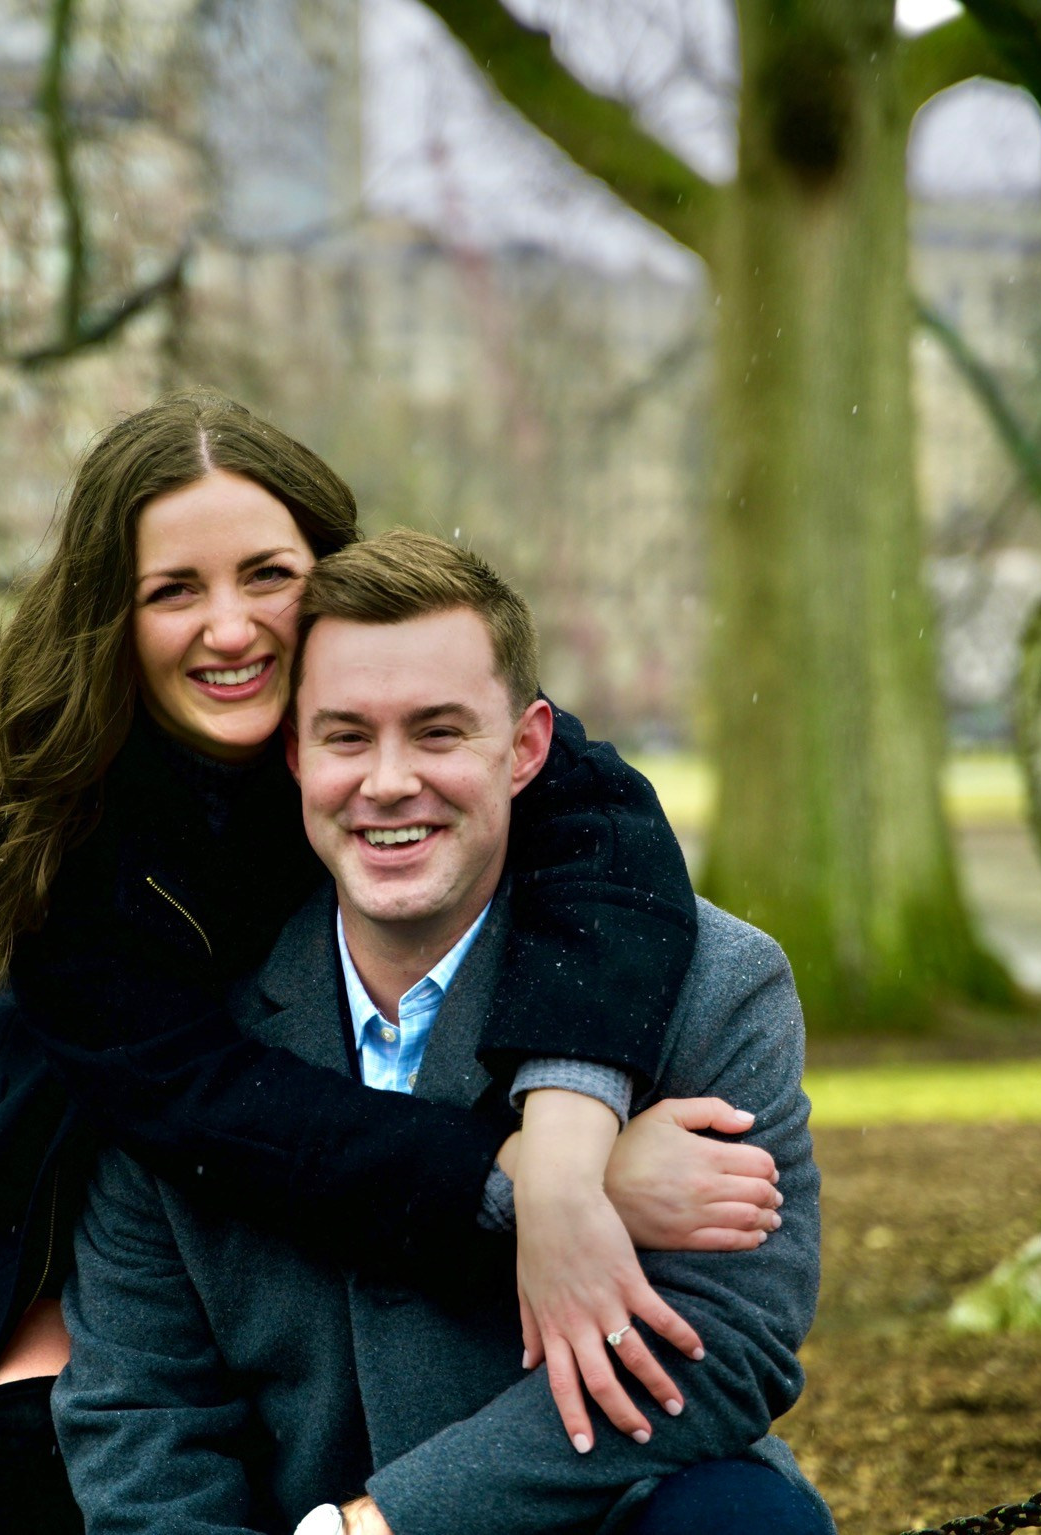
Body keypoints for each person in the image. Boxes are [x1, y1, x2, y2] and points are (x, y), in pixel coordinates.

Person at [0, 392, 785, 1535]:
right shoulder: (83, 851)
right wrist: (535, 1189)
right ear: (115, 615)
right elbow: (235, 1121)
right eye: (173, 590)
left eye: (265, 574)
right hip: (66, 1160)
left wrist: (567, 1132)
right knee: (60, 1454)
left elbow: (607, 839)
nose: (232, 626)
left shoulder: (410, 691)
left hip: (312, 1153)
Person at [55, 529, 829, 1535]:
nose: (386, 781)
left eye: (436, 732)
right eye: (345, 735)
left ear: (525, 748)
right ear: (292, 753)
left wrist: (385, 1524)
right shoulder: (179, 1028)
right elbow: (145, 1411)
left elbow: (726, 1345)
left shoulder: (715, 987)